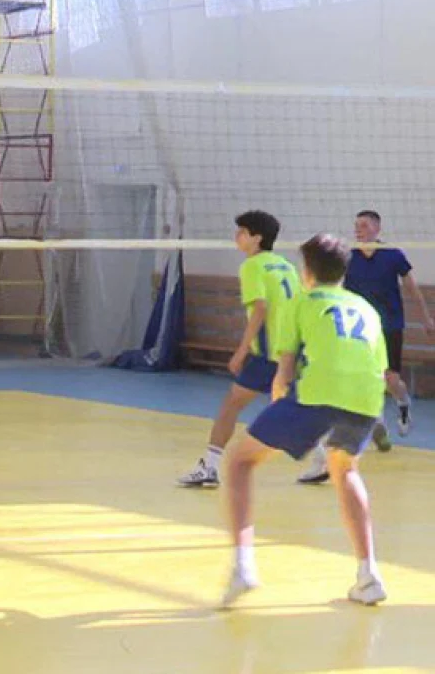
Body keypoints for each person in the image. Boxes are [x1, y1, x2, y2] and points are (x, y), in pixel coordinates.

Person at [220, 233, 387, 608]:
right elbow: (379, 369)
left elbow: (283, 372)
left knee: (240, 461)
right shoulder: (366, 308)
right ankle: (369, 575)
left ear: (306, 271)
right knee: (345, 470)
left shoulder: (300, 302)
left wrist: (281, 413)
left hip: (318, 395)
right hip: (366, 401)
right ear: (344, 272)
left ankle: (243, 567)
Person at [297, 210, 434, 483]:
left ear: (377, 229)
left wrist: (426, 319)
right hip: (358, 326)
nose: (358, 229)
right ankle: (376, 422)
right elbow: (335, 286)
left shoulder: (393, 254)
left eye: (364, 225)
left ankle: (403, 404)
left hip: (390, 324)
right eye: (356, 225)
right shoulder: (349, 256)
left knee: (390, 378)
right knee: (363, 375)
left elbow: (411, 288)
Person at [178, 211, 299, 488]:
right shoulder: (286, 266)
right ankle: (323, 460)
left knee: (231, 405)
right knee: (292, 407)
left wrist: (242, 351)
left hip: (267, 353)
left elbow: (260, 309)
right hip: (290, 351)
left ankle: (210, 467)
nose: (237, 236)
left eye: (242, 232)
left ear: (257, 238)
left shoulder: (252, 266)